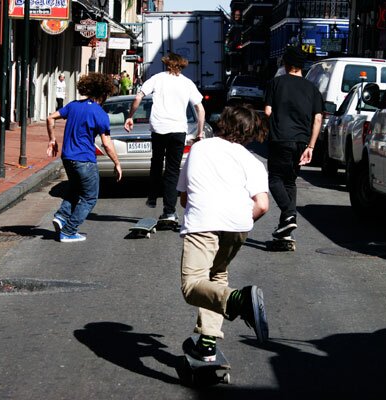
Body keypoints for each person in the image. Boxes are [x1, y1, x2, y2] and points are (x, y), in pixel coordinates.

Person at [177, 105, 270, 361]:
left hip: (204, 223)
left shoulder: (199, 148)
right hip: (238, 226)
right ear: (250, 133)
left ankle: (240, 300)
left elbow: (184, 198)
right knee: (216, 276)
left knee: (192, 285)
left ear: (222, 123)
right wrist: (237, 217)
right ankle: (207, 342)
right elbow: (262, 205)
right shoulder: (252, 161)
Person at [124, 52, 205, 223]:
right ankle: (169, 211)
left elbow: (139, 96)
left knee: (156, 161)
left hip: (159, 128)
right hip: (178, 130)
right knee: (172, 170)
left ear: (167, 64)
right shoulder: (187, 83)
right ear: (181, 66)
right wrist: (200, 131)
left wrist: (130, 116)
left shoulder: (157, 78)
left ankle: (152, 197)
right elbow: (200, 108)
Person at [46, 73, 122, 243]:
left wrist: (52, 139)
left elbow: (50, 117)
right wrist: (117, 163)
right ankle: (69, 230)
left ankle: (61, 216)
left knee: (75, 188)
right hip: (84, 159)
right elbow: (107, 144)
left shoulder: (73, 106)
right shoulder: (100, 113)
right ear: (103, 94)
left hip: (67, 157)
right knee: (89, 197)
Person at [264, 46, 323, 242]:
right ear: (302, 66)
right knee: (289, 181)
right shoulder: (312, 89)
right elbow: (317, 119)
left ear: (285, 64)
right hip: (301, 141)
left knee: (274, 179)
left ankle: (289, 213)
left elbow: (268, 112)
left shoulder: (276, 83)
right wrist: (311, 147)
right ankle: (285, 230)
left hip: (280, 138)